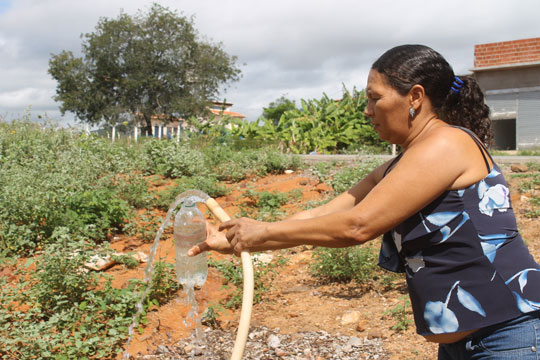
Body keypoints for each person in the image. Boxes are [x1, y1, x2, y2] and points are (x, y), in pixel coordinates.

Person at [188, 44, 540, 359]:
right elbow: (325, 212)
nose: (368, 110)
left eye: (375, 98)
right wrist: (231, 234)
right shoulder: (399, 165)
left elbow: (358, 225)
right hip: (467, 344)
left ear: (415, 97)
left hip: (509, 336)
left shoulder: (447, 144)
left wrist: (262, 234)